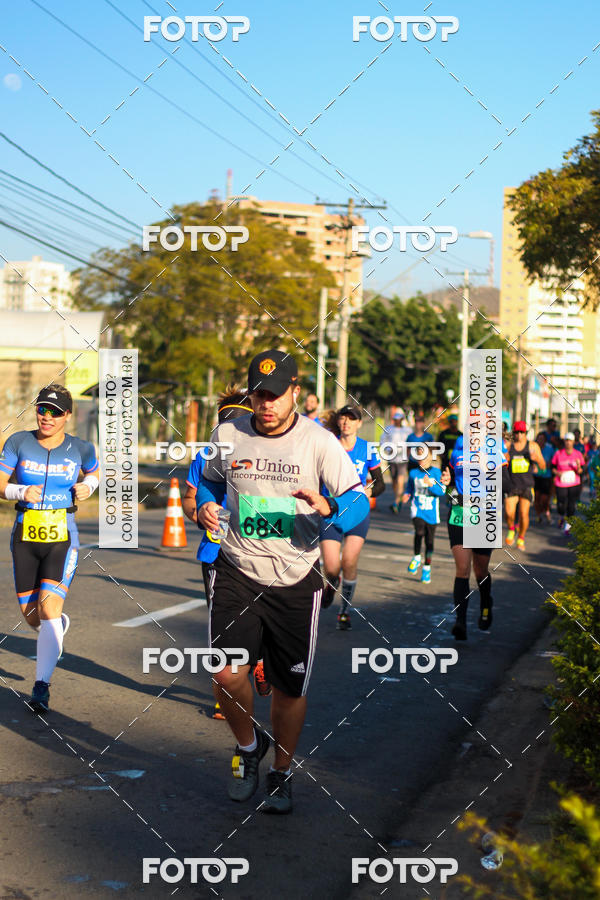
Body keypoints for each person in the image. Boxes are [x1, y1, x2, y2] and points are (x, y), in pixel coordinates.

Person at [196, 350, 369, 814]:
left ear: (295, 392)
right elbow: (210, 482)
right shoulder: (228, 434)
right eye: (259, 395)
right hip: (237, 568)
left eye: (275, 395)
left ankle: (280, 773)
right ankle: (249, 746)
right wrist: (204, 507)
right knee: (224, 671)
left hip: (296, 579)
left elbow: (359, 504)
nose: (266, 404)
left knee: (290, 689)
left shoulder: (319, 443)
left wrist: (331, 507)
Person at [0, 384, 99, 712]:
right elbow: (0, 483)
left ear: (67, 416)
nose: (47, 416)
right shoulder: (18, 442)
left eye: (55, 412)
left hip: (62, 537)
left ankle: (41, 686)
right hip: (25, 536)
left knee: (49, 608)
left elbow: (95, 473)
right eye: (43, 409)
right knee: (32, 616)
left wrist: (87, 486)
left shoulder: (81, 447)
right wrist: (18, 492)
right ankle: (53, 630)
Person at [182, 387, 270, 716]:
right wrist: (198, 513)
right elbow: (190, 499)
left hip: (259, 552)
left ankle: (261, 659)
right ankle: (227, 694)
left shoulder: (268, 457)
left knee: (259, 620)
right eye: (224, 424)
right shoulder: (205, 456)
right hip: (215, 554)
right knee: (223, 627)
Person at [319, 405, 384, 629]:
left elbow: (380, 483)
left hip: (357, 511)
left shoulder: (367, 449)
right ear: (338, 422)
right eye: (343, 418)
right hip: (331, 510)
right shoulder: (329, 445)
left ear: (359, 423)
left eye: (352, 419)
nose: (346, 422)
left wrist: (370, 490)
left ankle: (344, 611)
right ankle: (330, 583)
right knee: (332, 567)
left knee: (349, 561)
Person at [441, 435, 494, 641]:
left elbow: (503, 483)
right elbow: (452, 483)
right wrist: (448, 482)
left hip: (484, 514)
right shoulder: (457, 452)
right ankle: (460, 622)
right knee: (462, 569)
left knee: (480, 571)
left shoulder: (494, 453)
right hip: (459, 513)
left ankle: (486, 602)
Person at [402, 448, 445, 583]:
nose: (422, 459)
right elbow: (409, 488)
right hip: (418, 509)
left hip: (432, 512)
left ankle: (426, 568)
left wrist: (430, 485)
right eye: (419, 456)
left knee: (429, 541)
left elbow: (441, 492)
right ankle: (416, 557)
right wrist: (406, 495)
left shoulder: (436, 472)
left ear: (431, 457)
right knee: (419, 531)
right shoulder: (413, 473)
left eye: (425, 456)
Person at [504, 421, 546, 551]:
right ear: (513, 433)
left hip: (527, 485)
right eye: (517, 432)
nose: (519, 435)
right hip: (512, 484)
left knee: (523, 513)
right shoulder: (509, 446)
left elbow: (543, 466)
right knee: (509, 513)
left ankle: (521, 537)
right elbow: (502, 462)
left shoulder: (532, 446)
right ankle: (512, 528)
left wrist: (537, 459)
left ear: (526, 433)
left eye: (522, 432)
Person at [552, 432, 585, 533]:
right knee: (561, 504)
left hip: (574, 482)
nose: (568, 443)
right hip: (561, 482)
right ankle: (562, 516)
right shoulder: (558, 453)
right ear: (564, 442)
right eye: (566, 440)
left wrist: (579, 467)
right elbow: (552, 467)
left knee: (571, 504)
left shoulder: (578, 454)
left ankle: (568, 525)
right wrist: (558, 473)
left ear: (573, 442)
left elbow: (581, 470)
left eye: (570, 441)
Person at [380, 410, 411, 513]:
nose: (397, 421)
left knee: (400, 480)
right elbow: (383, 441)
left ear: (402, 419)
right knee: (394, 481)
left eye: (399, 419)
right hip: (392, 459)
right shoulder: (389, 429)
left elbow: (412, 442)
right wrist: (388, 450)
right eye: (395, 419)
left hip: (403, 459)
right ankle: (397, 497)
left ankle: (396, 502)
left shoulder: (408, 430)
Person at [533, 432, 554, 524]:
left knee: (545, 499)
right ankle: (539, 515)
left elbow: (554, 460)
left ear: (545, 440)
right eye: (539, 439)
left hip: (546, 476)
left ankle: (547, 511)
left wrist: (551, 463)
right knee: (537, 498)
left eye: (542, 439)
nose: (540, 441)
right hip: (536, 476)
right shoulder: (533, 448)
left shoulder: (550, 449)